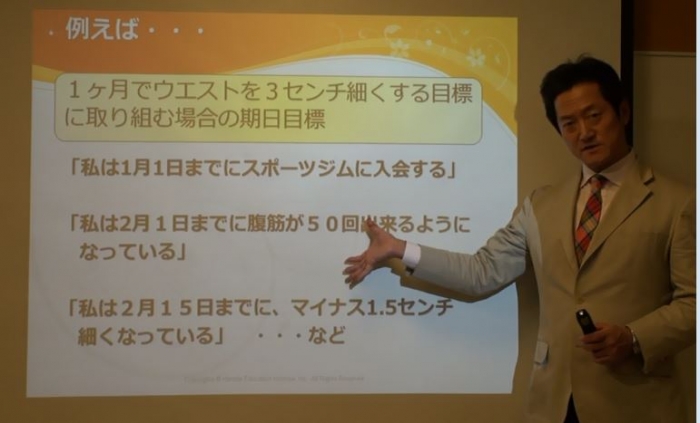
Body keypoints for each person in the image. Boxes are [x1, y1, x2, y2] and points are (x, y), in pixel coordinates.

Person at [343, 56, 695, 423]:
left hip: (636, 403)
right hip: (555, 402)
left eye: (594, 116)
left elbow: (693, 302)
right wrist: (399, 248)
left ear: (622, 112)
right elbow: (481, 272)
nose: (584, 132)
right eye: (569, 124)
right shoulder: (541, 204)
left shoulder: (679, 202)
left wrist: (633, 336)